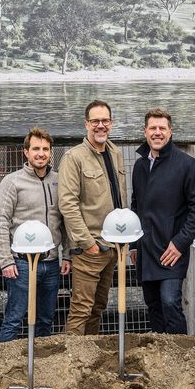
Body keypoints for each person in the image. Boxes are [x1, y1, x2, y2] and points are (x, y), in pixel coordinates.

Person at [131, 108, 195, 334]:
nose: (157, 133)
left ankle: (180, 355)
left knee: (170, 301)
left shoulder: (187, 165)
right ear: (145, 132)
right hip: (146, 249)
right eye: (152, 128)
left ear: (170, 132)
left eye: (162, 128)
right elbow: (137, 205)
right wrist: (136, 244)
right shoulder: (140, 166)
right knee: (153, 305)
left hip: (171, 249)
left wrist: (180, 242)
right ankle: (159, 358)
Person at [0, 127, 70, 342]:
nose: (41, 153)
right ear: (26, 152)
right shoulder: (12, 182)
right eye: (36, 148)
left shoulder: (58, 180)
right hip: (22, 264)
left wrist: (68, 254)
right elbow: (0, 221)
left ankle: (42, 364)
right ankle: (6, 361)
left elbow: (64, 220)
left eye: (46, 149)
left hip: (52, 263)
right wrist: (6, 260)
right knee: (15, 317)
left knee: (46, 318)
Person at [58, 99, 127, 335]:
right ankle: (72, 362)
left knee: (98, 307)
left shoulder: (115, 153)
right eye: (95, 121)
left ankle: (89, 358)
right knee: (81, 309)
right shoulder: (73, 157)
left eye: (105, 120)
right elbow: (68, 204)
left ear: (111, 123)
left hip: (111, 248)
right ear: (86, 124)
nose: (101, 125)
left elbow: (121, 196)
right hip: (90, 250)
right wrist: (88, 244)